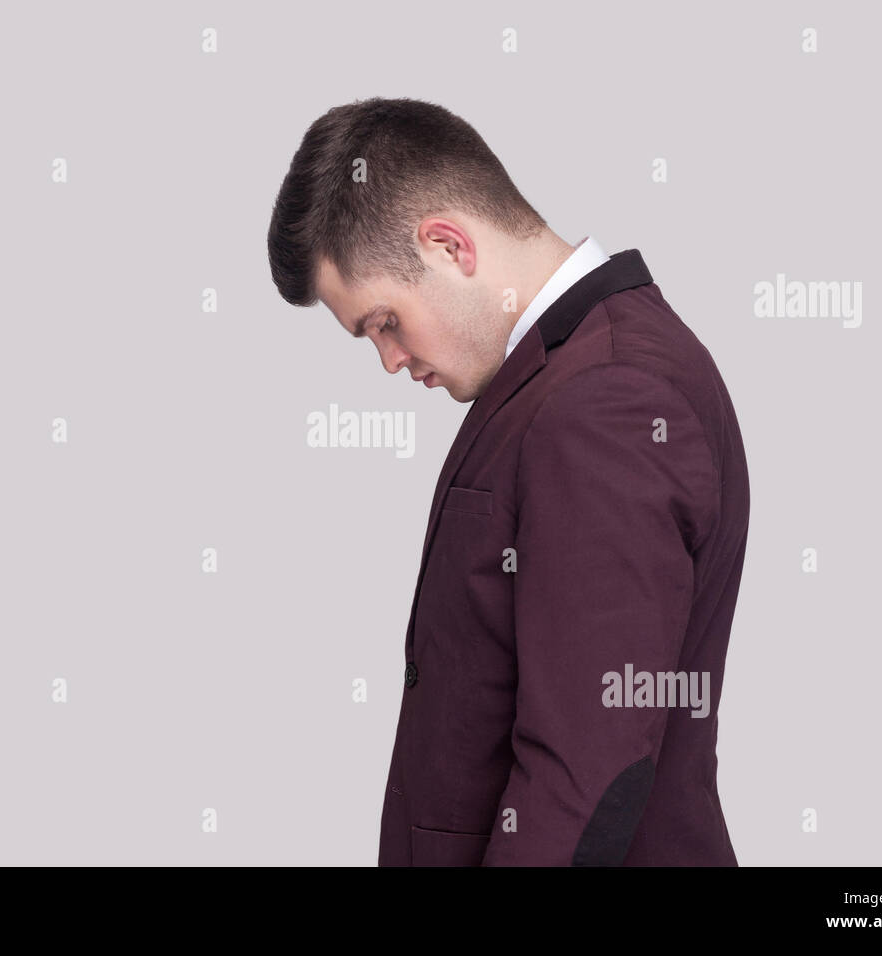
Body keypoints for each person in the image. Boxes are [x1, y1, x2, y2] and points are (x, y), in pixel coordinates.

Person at [267, 97, 750, 866]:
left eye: (384, 322)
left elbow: (588, 771)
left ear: (449, 246)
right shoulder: (568, 376)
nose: (390, 360)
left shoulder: (608, 399)